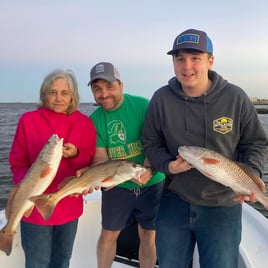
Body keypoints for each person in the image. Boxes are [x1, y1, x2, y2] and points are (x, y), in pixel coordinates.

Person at [142, 29, 268, 268]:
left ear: (210, 60)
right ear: (173, 62)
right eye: (180, 59)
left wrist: (252, 174)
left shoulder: (235, 97)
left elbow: (255, 143)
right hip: (174, 200)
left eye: (195, 58)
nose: (186, 66)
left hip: (224, 205)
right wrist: (168, 165)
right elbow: (151, 142)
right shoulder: (161, 99)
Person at [9, 69, 96, 268]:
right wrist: (29, 185)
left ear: (73, 95)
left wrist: (75, 155)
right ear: (44, 94)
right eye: (52, 92)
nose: (58, 98)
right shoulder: (28, 120)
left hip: (69, 204)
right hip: (34, 204)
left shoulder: (85, 123)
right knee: (37, 263)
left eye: (64, 93)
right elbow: (17, 162)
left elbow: (89, 163)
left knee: (62, 261)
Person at [87, 62, 165, 268]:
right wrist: (100, 179)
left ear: (121, 85)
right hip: (118, 187)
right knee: (108, 234)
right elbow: (101, 159)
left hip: (152, 184)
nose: (104, 94)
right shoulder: (94, 120)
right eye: (97, 89)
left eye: (109, 87)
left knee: (148, 235)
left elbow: (156, 143)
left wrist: (149, 169)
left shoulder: (143, 106)